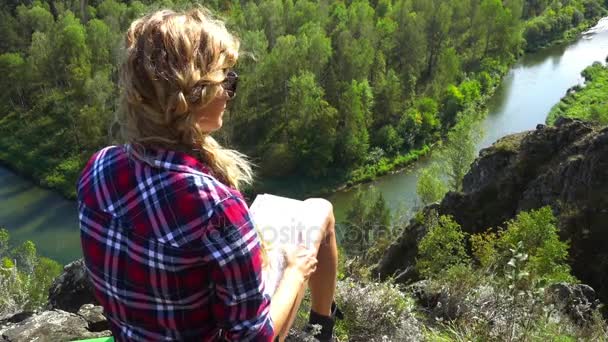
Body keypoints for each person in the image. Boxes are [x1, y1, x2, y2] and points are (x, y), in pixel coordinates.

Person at [77, 7, 340, 342]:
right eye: (226, 79)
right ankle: (321, 328)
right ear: (194, 95)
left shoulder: (99, 168)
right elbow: (254, 338)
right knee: (321, 211)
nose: (231, 91)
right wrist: (294, 273)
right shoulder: (216, 207)